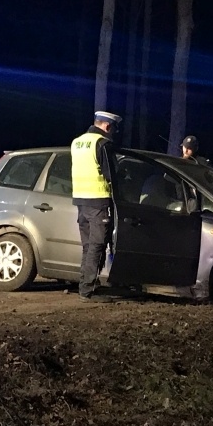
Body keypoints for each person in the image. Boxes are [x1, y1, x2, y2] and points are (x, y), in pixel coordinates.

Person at [71, 110, 121, 303]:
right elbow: (111, 175)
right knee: (97, 246)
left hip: (81, 201)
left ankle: (85, 284)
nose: (113, 133)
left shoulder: (78, 142)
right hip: (98, 201)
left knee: (87, 246)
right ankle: (87, 289)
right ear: (107, 126)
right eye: (113, 129)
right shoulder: (102, 144)